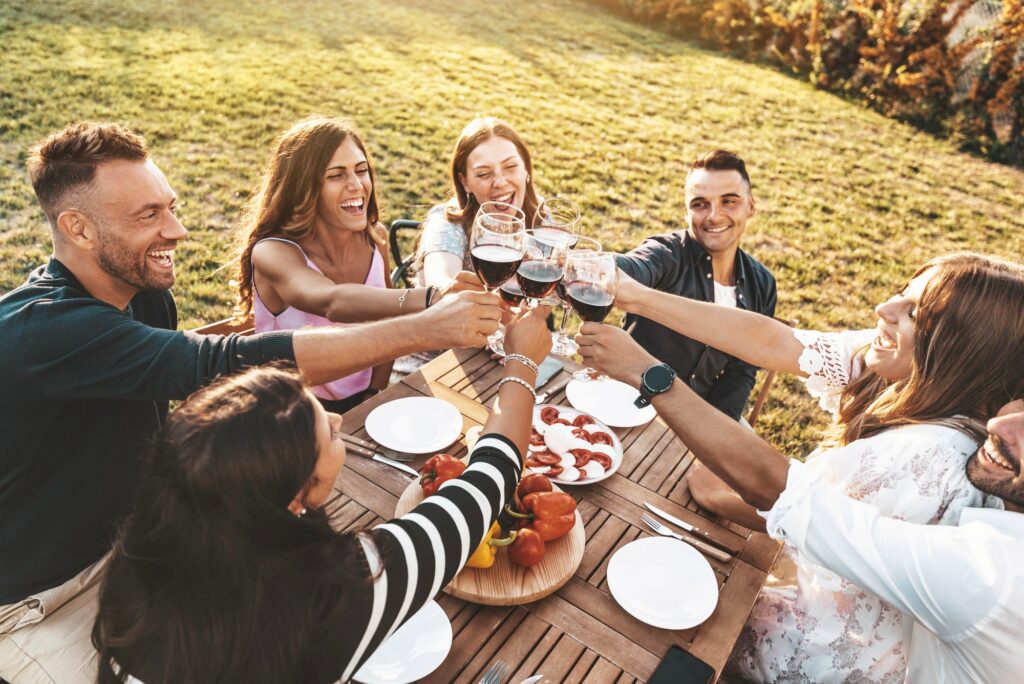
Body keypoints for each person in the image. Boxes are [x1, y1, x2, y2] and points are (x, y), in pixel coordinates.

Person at [0, 122, 504, 684]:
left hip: (143, 549)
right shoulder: (41, 330)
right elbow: (215, 364)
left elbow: (194, 387)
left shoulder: (142, 297)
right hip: (43, 599)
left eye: (171, 207)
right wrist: (427, 326)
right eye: (149, 216)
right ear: (78, 229)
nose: (179, 231)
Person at [576, 252, 1024, 682]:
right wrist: (636, 296)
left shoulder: (931, 457)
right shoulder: (908, 367)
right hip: (797, 586)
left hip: (810, 655)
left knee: (601, 605)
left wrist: (647, 372)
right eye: (902, 293)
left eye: (916, 313)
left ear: (961, 351)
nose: (883, 307)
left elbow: (777, 491)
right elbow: (775, 340)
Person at [93, 304, 552, 683]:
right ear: (295, 498)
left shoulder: (138, 563)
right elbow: (486, 484)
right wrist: (524, 362)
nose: (338, 421)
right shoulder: (338, 593)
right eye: (327, 434)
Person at [236, 116, 482, 414]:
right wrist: (432, 298)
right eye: (336, 175)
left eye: (361, 170)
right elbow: (331, 301)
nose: (356, 185)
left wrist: (375, 392)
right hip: (289, 409)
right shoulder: (273, 252)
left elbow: (385, 320)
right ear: (303, 187)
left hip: (363, 401)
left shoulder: (373, 240)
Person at [615, 149, 776, 422]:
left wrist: (715, 430)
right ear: (686, 211)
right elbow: (633, 266)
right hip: (627, 403)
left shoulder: (763, 284)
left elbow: (742, 371)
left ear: (751, 206)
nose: (714, 216)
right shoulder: (667, 253)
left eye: (729, 201)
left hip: (699, 419)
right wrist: (594, 262)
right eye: (700, 204)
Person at [413, 116, 542, 288]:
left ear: (526, 168)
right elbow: (440, 285)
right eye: (483, 174)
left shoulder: (542, 219)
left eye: (510, 167)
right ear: (465, 182)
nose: (501, 182)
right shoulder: (447, 224)